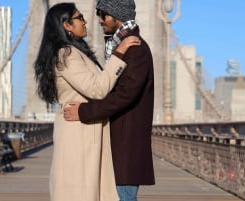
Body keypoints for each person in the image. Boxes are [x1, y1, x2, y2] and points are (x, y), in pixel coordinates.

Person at [33, 3, 140, 201]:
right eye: (79, 18)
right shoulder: (66, 54)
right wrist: (119, 53)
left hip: (85, 132)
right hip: (78, 135)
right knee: (78, 193)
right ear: (66, 25)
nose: (85, 21)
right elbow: (97, 89)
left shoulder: (75, 52)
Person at [64, 0, 155, 200]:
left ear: (116, 15)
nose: (99, 20)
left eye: (103, 14)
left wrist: (84, 111)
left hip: (125, 148)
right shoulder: (121, 46)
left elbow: (123, 96)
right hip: (117, 146)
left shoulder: (136, 48)